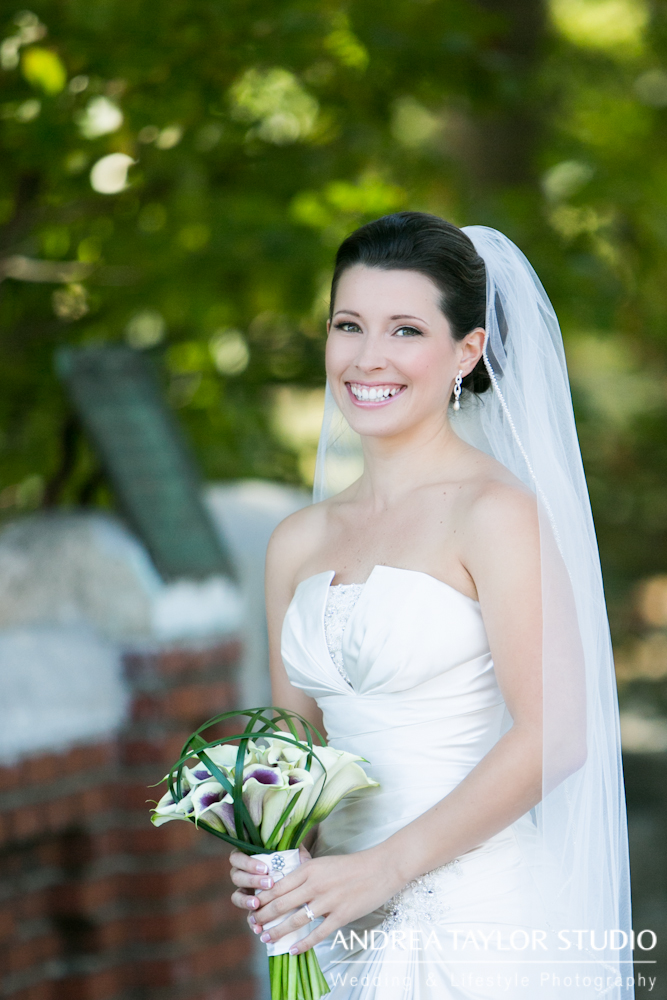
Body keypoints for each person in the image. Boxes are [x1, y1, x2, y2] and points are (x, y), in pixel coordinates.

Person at [228, 213, 633, 999]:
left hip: (480, 926)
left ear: (466, 351)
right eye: (348, 325)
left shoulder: (494, 512)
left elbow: (554, 736)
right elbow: (293, 742)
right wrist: (265, 841)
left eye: (404, 329)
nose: (367, 357)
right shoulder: (296, 540)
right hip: (336, 925)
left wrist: (383, 869)